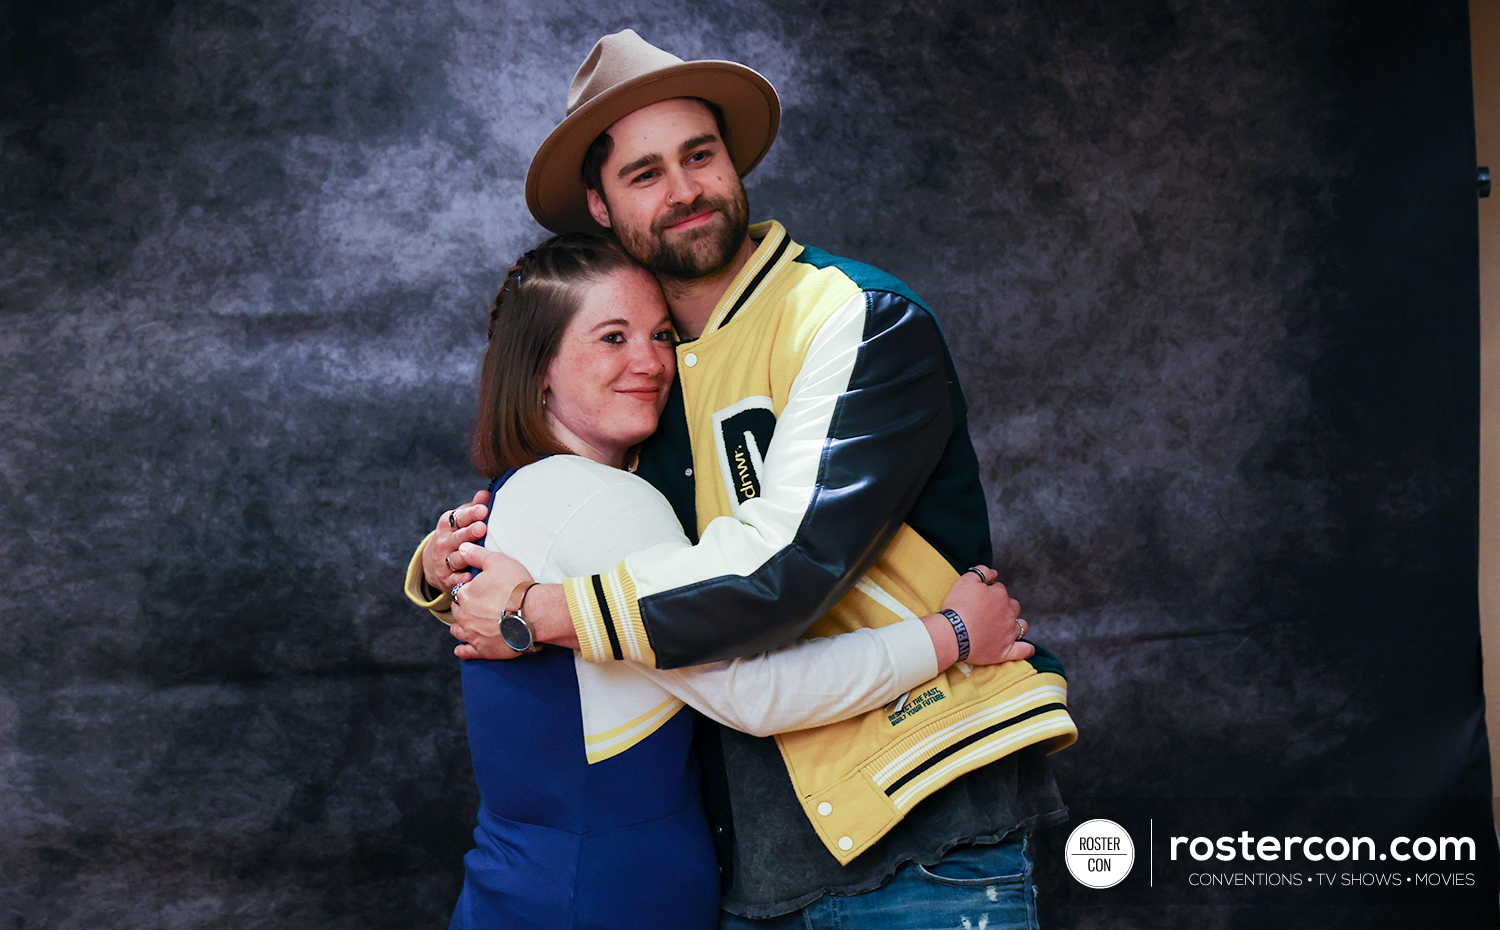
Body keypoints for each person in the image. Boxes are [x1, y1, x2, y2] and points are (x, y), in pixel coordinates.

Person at [414, 30, 1077, 929]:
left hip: (918, 836)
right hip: (750, 863)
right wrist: (450, 565)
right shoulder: (643, 385)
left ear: (734, 161)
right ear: (600, 208)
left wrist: (539, 613)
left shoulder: (853, 317)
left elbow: (783, 565)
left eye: (700, 155)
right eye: (645, 173)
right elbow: (573, 515)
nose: (684, 189)